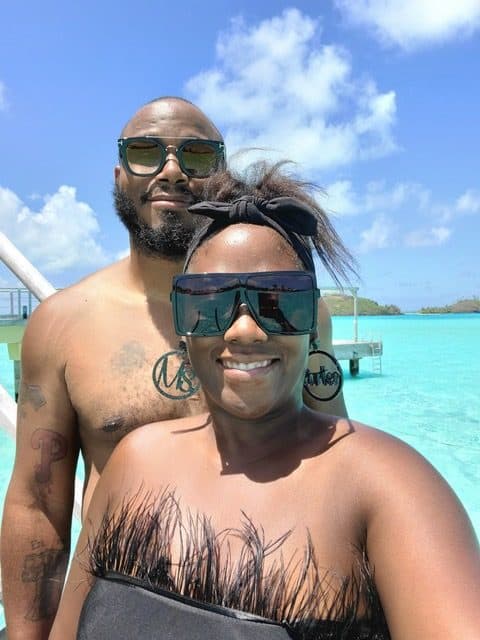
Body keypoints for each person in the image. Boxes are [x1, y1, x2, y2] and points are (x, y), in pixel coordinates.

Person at [50, 165, 480, 639]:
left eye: (278, 301)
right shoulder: (134, 461)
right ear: (181, 322)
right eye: (209, 303)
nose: (244, 329)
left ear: (313, 321)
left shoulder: (392, 489)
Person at [0, 100, 349, 640]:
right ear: (119, 174)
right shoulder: (63, 325)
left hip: (271, 613)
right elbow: (37, 504)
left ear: (223, 174)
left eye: (197, 154)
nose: (170, 170)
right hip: (120, 608)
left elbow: (335, 459)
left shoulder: (295, 316)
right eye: (144, 152)